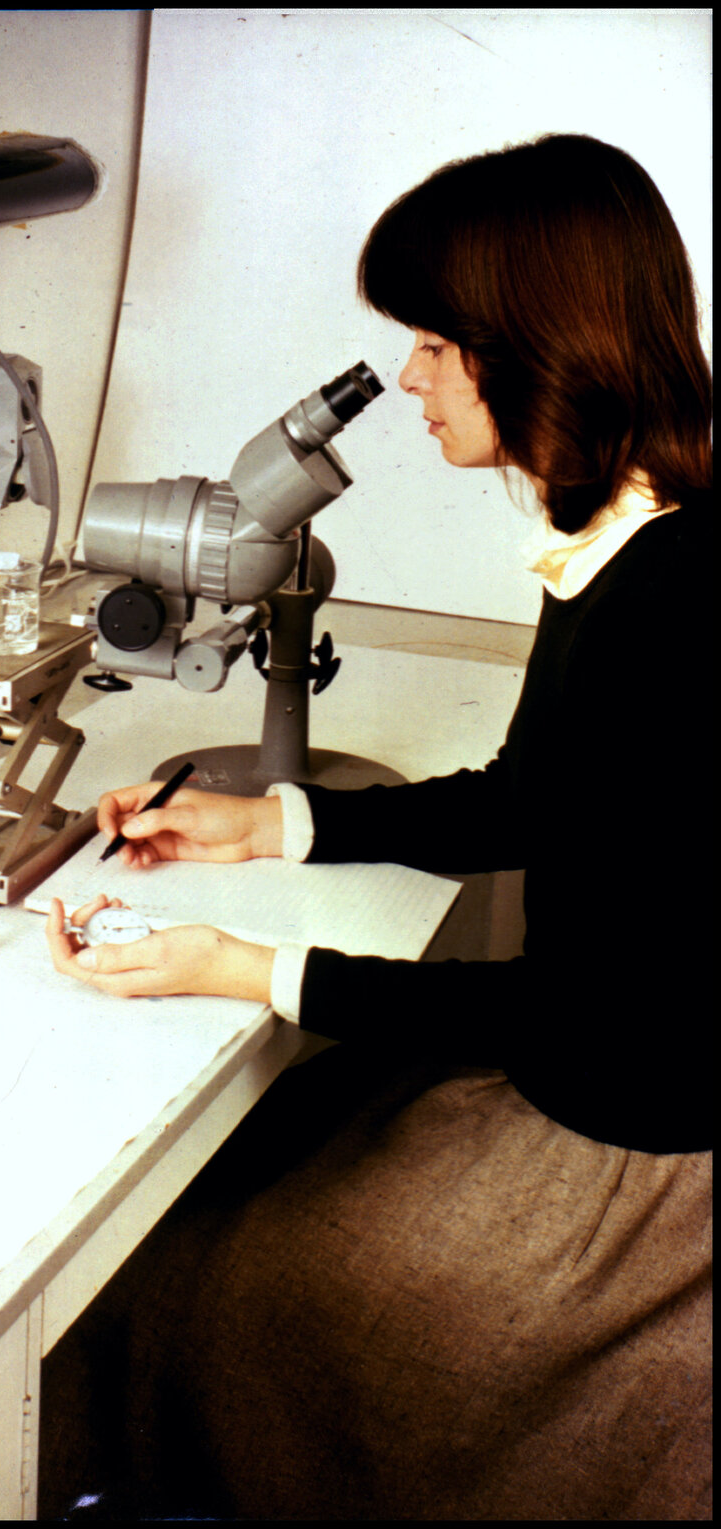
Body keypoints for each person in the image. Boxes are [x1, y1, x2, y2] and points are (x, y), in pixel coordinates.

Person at [40, 134, 711, 1520]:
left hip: (636, 1167)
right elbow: (538, 801)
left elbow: (591, 1014)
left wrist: (261, 973)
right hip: (598, 1076)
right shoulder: (629, 534)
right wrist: (274, 825)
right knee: (265, 1157)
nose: (409, 377)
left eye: (430, 340)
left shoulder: (676, 603)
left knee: (199, 1276)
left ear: (526, 343)